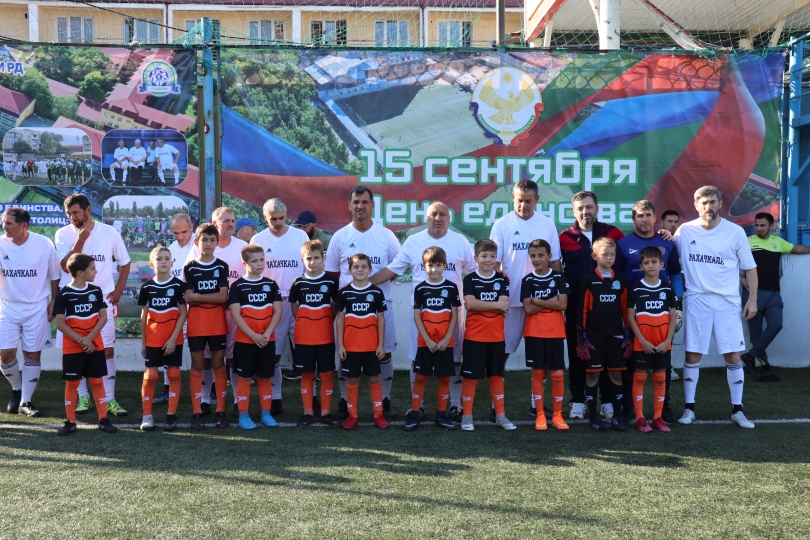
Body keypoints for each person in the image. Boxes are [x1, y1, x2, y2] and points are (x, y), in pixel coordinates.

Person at [371, 201, 476, 422]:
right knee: (417, 360)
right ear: (426, 218)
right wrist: (362, 285)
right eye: (433, 214)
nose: (438, 218)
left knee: (455, 360)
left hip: (452, 316)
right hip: (421, 316)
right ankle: (417, 408)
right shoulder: (413, 241)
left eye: (443, 214)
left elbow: (475, 272)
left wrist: (498, 278)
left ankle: (455, 405)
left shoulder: (460, 242)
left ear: (449, 218)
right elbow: (393, 269)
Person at [674, 185, 757, 429]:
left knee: (733, 355)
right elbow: (668, 257)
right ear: (696, 205)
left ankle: (738, 410)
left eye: (712, 202)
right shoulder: (684, 230)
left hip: (727, 302)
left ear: (720, 203)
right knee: (692, 355)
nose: (708, 206)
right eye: (704, 202)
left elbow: (750, 268)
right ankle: (689, 409)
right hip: (697, 299)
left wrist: (752, 299)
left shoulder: (735, 232)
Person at [326, 187, 400, 420]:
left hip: (380, 307)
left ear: (372, 205)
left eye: (365, 202)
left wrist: (368, 286)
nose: (360, 206)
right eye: (356, 202)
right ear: (349, 205)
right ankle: (345, 402)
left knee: (384, 354)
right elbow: (332, 274)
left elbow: (396, 268)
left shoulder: (386, 236)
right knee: (345, 355)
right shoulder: (340, 237)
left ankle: (384, 401)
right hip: (348, 311)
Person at [490, 179, 561, 417]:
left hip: (541, 303)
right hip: (510, 302)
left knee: (542, 357)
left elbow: (555, 263)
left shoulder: (547, 224)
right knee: (502, 352)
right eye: (520, 200)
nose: (523, 205)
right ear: (513, 197)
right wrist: (498, 297)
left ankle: (536, 404)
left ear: (537, 200)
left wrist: (556, 296)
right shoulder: (502, 224)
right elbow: (495, 265)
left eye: (528, 201)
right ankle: (496, 406)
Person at [55, 194, 131, 417]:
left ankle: (109, 399)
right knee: (76, 350)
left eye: (76, 212)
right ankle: (84, 398)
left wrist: (118, 290)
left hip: (101, 301)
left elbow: (125, 263)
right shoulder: (63, 233)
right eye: (69, 213)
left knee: (106, 350)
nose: (72, 217)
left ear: (88, 211)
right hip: (73, 302)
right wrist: (81, 239)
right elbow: (64, 266)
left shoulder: (109, 232)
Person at [613, 200, 683, 424]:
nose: (644, 219)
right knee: (631, 361)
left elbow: (675, 275)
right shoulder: (623, 244)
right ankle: (629, 407)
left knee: (663, 364)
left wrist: (678, 302)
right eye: (640, 215)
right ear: (634, 219)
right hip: (632, 308)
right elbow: (617, 278)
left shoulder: (667, 242)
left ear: (655, 218)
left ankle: (664, 407)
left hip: (661, 309)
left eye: (648, 215)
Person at [559, 190, 624, 421]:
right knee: (577, 351)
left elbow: (628, 259)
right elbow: (557, 271)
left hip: (608, 306)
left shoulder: (613, 233)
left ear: (597, 208)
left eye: (589, 207)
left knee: (606, 352)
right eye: (580, 208)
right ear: (573, 211)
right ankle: (577, 400)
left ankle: (607, 401)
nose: (585, 211)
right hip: (576, 306)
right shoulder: (564, 237)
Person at [185, 208, 246, 415]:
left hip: (234, 312)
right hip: (206, 316)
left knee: (234, 358)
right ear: (214, 223)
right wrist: (210, 298)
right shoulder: (196, 253)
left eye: (233, 220)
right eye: (226, 220)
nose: (230, 224)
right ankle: (204, 400)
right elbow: (187, 290)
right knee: (206, 359)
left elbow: (247, 280)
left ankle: (237, 401)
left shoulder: (242, 246)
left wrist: (229, 301)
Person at [0, 208, 60, 417]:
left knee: (32, 354)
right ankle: (16, 389)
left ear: (24, 225)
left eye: (9, 223)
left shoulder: (44, 243)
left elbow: (54, 276)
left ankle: (26, 401)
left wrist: (54, 301)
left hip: (36, 307)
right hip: (7, 306)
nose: (4, 227)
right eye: (3, 222)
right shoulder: (0, 243)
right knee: (5, 354)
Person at [251, 199, 309, 415]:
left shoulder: (300, 236)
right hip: (272, 305)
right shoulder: (258, 239)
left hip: (300, 302)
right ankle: (275, 398)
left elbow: (308, 268)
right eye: (273, 219)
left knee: (308, 352)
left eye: (282, 218)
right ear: (265, 217)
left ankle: (312, 400)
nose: (277, 222)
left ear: (287, 215)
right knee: (273, 354)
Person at [53, 254, 118, 436]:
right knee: (72, 383)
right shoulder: (64, 294)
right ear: (81, 272)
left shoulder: (96, 291)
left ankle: (103, 419)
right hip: (73, 348)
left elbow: (103, 317)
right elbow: (60, 324)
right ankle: (70, 422)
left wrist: (89, 339)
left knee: (97, 381)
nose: (96, 271)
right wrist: (83, 341)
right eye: (92, 268)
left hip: (94, 345)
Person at [742, 212, 810, 381]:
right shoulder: (746, 242)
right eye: (757, 225)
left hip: (773, 294)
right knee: (756, 334)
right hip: (752, 295)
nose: (759, 228)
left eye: (762, 225)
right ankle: (764, 365)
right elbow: (729, 263)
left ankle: (750, 356)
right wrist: (741, 279)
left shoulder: (778, 242)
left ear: (772, 226)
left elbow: (797, 249)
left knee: (776, 325)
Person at [576, 236, 632, 432]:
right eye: (605, 254)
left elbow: (626, 309)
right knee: (592, 376)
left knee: (616, 374)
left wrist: (628, 334)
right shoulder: (589, 279)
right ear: (594, 256)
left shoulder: (621, 279)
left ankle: (617, 416)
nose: (609, 258)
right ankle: (593, 417)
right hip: (594, 337)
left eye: (612, 254)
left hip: (616, 336)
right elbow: (582, 309)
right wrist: (581, 337)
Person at [460, 239, 515, 432]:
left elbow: (504, 306)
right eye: (484, 256)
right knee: (471, 378)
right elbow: (471, 304)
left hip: (497, 338)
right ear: (476, 258)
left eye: (492, 256)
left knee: (496, 376)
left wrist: (488, 305)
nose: (488, 259)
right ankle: (467, 416)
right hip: (474, 338)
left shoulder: (501, 279)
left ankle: (500, 415)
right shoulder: (470, 279)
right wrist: (495, 305)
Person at [405, 246, 460, 432]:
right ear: (424, 266)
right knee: (420, 377)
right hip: (425, 342)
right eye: (430, 265)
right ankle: (415, 414)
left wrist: (446, 339)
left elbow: (454, 316)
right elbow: (417, 317)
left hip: (445, 342)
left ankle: (441, 415)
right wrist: (427, 339)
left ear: (445, 265)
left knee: (444, 379)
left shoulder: (451, 288)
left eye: (438, 265)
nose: (434, 269)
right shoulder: (420, 288)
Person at [229, 244, 283, 430]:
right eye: (255, 261)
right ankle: (244, 415)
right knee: (244, 378)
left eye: (262, 260)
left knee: (265, 377)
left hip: (267, 340)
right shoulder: (237, 286)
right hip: (245, 341)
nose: (260, 263)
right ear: (245, 264)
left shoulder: (271, 284)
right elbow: (236, 315)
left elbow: (278, 311)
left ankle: (266, 414)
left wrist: (266, 334)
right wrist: (253, 336)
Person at [289, 240, 341, 427]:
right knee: (307, 375)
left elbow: (334, 309)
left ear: (323, 259)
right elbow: (295, 310)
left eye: (316, 258)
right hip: (304, 338)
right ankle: (308, 413)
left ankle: (326, 413)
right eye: (309, 258)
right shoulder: (298, 283)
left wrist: (323, 322)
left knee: (326, 374)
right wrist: (307, 323)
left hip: (325, 337)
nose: (312, 262)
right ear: (302, 260)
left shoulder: (331, 282)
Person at [183, 222, 230, 430]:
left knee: (219, 365)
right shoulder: (190, 267)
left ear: (217, 242)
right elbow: (187, 297)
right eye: (205, 240)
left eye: (212, 240)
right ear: (196, 242)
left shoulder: (221, 266)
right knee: (198, 366)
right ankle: (197, 412)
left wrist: (198, 297)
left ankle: (220, 411)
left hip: (217, 323)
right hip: (196, 323)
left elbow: (223, 297)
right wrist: (209, 297)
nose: (209, 244)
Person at [520, 239, 569, 431]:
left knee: (557, 373)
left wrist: (537, 300)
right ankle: (540, 415)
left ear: (549, 256)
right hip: (534, 332)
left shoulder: (559, 278)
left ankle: (557, 415)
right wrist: (551, 301)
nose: (537, 259)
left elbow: (562, 305)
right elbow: (528, 309)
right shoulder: (527, 280)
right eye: (533, 256)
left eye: (541, 255)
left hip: (555, 332)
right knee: (538, 373)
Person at [336, 253, 388, 431]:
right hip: (351, 346)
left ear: (370, 270)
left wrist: (381, 344)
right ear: (349, 270)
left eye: (364, 267)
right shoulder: (344, 293)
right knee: (352, 379)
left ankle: (378, 414)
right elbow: (340, 320)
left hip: (371, 346)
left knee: (374, 378)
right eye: (356, 267)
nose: (360, 270)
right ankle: (353, 415)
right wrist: (341, 345)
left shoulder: (376, 292)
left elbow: (381, 319)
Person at [627, 246, 677, 433]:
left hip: (663, 344)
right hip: (642, 344)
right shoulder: (635, 289)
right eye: (646, 263)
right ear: (641, 266)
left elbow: (673, 318)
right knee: (640, 377)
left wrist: (668, 341)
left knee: (660, 378)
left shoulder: (668, 289)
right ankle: (640, 418)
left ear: (661, 264)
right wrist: (641, 340)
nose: (650, 266)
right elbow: (630, 317)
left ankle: (657, 418)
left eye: (654, 262)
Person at [138, 247, 186, 432]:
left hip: (174, 340)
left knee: (174, 374)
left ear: (172, 263)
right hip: (153, 340)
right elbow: (144, 316)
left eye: (167, 258)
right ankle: (147, 416)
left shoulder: (179, 286)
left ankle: (171, 415)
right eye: (159, 259)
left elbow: (183, 314)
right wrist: (144, 342)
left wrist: (173, 339)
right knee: (151, 376)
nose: (163, 261)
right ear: (151, 264)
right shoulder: (147, 288)